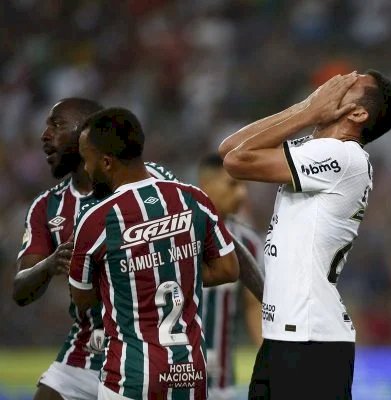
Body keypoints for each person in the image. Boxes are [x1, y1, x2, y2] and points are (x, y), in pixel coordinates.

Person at [219, 71, 391, 399]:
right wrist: (305, 108)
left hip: (311, 340)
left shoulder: (343, 156)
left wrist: (307, 112)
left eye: (349, 84)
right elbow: (230, 148)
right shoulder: (317, 149)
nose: (334, 81)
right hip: (285, 336)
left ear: (358, 114)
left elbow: (237, 161)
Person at [68, 107, 239, 400]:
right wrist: (175, 268)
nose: (85, 169)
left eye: (87, 160)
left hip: (129, 377)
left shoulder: (97, 220)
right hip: (190, 374)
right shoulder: (193, 199)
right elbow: (228, 269)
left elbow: (82, 298)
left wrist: (135, 278)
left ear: (106, 162)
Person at [12, 98, 176, 400]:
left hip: (148, 346)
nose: (44, 135)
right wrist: (50, 264)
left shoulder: (153, 180)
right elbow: (20, 290)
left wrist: (265, 301)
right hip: (87, 350)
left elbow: (213, 235)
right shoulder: (48, 207)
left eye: (57, 124)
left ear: (88, 131)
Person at [198, 154, 263, 399]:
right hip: (175, 377)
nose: (242, 194)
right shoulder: (177, 234)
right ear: (205, 184)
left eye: (244, 185)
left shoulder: (249, 245)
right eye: (232, 184)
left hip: (222, 383)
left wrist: (269, 359)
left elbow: (254, 306)